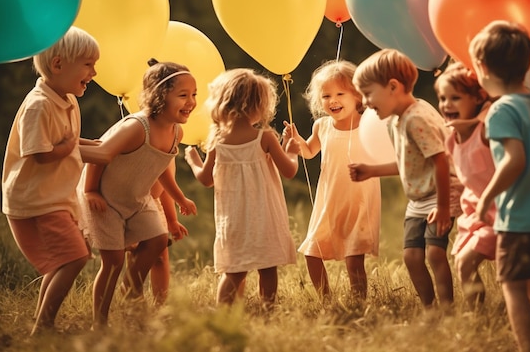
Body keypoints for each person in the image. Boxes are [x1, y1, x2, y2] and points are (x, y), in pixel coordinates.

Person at [470, 20, 530, 352]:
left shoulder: (500, 110)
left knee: (512, 285)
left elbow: (515, 160)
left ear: (482, 67)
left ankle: (526, 348)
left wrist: (486, 198)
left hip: (521, 219)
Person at [79, 59, 198, 328]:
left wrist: (180, 198)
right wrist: (90, 191)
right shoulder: (137, 127)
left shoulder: (175, 132)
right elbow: (100, 155)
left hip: (136, 198)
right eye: (183, 95)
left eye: (194, 95)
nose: (191, 102)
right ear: (159, 96)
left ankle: (131, 291)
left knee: (157, 240)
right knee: (113, 261)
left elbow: (160, 168)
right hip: (104, 199)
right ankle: (100, 322)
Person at [1, 26, 99, 335]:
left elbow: (64, 139)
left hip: (54, 198)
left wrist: (91, 144)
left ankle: (41, 323)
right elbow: (40, 153)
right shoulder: (39, 104)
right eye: (87, 64)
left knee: (64, 260)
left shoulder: (66, 98)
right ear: (58, 65)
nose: (94, 72)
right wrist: (71, 147)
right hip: (35, 200)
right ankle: (43, 326)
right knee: (76, 257)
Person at [348, 49, 462, 308]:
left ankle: (447, 309)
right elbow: (408, 163)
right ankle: (429, 308)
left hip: (440, 194)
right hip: (418, 199)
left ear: (392, 87)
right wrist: (372, 170)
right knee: (411, 257)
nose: (365, 102)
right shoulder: (394, 121)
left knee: (434, 253)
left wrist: (444, 207)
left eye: (368, 94)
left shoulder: (417, 118)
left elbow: (440, 161)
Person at [184, 68, 299, 307]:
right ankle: (268, 310)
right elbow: (289, 171)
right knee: (267, 267)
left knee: (234, 271)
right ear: (256, 106)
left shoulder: (218, 142)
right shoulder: (264, 137)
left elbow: (206, 179)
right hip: (265, 216)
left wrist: (194, 161)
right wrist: (291, 150)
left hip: (234, 219)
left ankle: (224, 315)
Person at [282, 60, 381, 300]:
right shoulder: (322, 126)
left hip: (359, 201)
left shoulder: (369, 124)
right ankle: (326, 300)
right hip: (329, 200)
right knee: (312, 253)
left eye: (340, 93)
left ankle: (359, 301)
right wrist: (295, 141)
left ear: (357, 95)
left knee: (353, 257)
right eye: (326, 96)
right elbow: (309, 152)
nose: (332, 100)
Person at [434, 62, 496, 309]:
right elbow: (461, 178)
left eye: (455, 98)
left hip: (499, 212)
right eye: (442, 98)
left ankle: (488, 314)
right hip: (476, 212)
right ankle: (477, 314)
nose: (446, 104)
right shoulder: (452, 139)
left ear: (478, 98)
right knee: (462, 262)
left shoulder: (487, 130)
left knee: (470, 261)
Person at [126, 180, 188, 306]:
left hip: (154, 206)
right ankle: (134, 297)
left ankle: (160, 303)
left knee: (160, 257)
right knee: (136, 254)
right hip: (135, 204)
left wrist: (172, 220)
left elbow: (166, 187)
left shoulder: (170, 160)